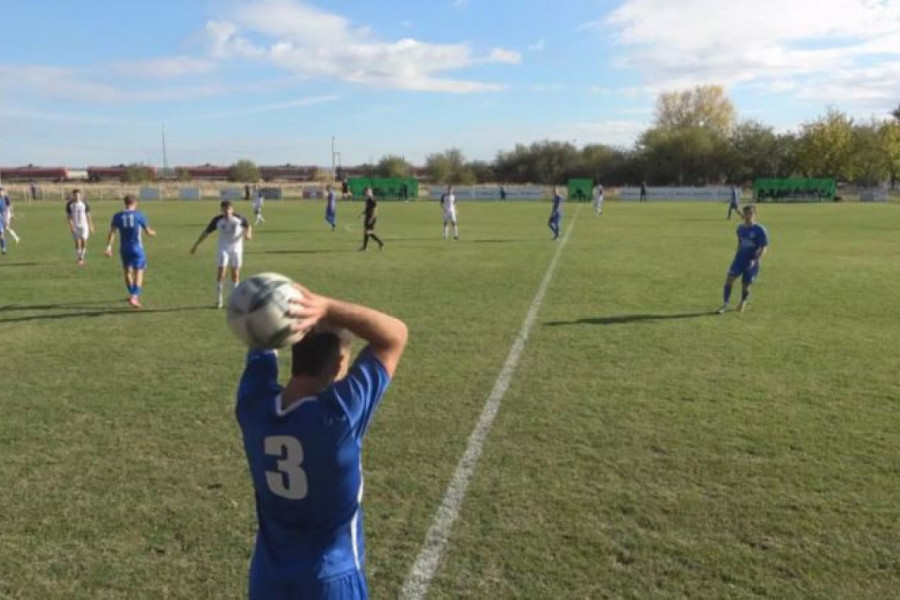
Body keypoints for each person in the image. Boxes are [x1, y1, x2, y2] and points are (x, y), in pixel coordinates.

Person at [236, 284, 408, 599]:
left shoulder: (253, 407)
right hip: (329, 580)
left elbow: (260, 349)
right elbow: (395, 334)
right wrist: (325, 307)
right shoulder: (340, 414)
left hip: (267, 579)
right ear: (336, 365)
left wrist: (275, 318)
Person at [190, 200, 252, 309]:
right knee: (221, 273)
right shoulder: (217, 220)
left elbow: (248, 226)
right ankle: (219, 300)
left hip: (237, 249)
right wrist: (196, 245)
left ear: (232, 209)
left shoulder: (239, 218)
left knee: (235, 274)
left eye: (228, 210)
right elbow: (206, 232)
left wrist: (248, 233)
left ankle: (233, 300)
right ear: (221, 210)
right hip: (223, 248)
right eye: (224, 210)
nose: (226, 212)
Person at [105, 194, 156, 308]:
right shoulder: (139, 215)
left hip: (124, 248)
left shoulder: (117, 216)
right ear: (135, 203)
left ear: (125, 203)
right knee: (139, 271)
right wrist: (153, 233)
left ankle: (132, 294)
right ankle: (134, 296)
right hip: (136, 248)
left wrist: (109, 247)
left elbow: (112, 232)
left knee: (127, 271)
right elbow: (148, 232)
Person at [718, 204, 769, 314]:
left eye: (750, 213)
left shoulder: (760, 230)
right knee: (729, 279)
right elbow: (740, 243)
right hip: (739, 259)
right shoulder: (740, 229)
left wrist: (755, 260)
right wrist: (737, 254)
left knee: (745, 285)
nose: (748, 216)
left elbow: (763, 247)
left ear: (755, 214)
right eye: (746, 213)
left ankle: (743, 302)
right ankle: (725, 304)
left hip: (751, 262)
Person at [66, 189, 94, 265]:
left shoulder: (85, 203)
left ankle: (82, 256)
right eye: (75, 195)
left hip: (84, 225)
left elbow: (88, 214)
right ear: (73, 195)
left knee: (83, 240)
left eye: (78, 195)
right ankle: (79, 258)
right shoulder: (69, 204)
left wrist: (91, 225)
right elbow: (68, 216)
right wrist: (71, 225)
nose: (77, 196)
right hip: (75, 226)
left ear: (80, 195)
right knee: (77, 242)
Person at [0, 186, 20, 254]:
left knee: (6, 228)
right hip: (1, 215)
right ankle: (16, 238)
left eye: (1, 191)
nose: (0, 192)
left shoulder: (6, 198)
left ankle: (16, 238)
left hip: (6, 213)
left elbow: (9, 206)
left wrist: (11, 214)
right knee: (5, 230)